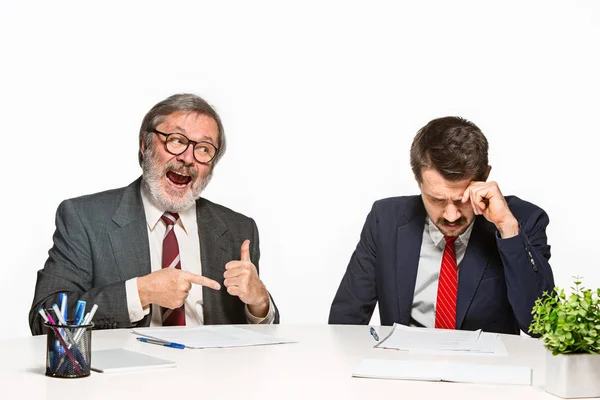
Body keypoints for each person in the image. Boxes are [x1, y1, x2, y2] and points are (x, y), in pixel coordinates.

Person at [30, 93, 279, 335]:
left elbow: (263, 339)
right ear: (145, 144)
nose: (187, 158)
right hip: (127, 375)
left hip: (213, 374)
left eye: (203, 149)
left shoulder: (239, 229)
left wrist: (259, 302)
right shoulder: (84, 218)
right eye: (177, 140)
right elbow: (45, 317)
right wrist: (140, 293)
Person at [328, 116, 554, 334]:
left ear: (485, 177)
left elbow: (540, 325)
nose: (452, 215)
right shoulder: (385, 219)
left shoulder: (521, 220)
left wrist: (507, 228)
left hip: (485, 370)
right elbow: (346, 321)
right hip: (404, 367)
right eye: (436, 200)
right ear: (418, 181)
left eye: (461, 199)